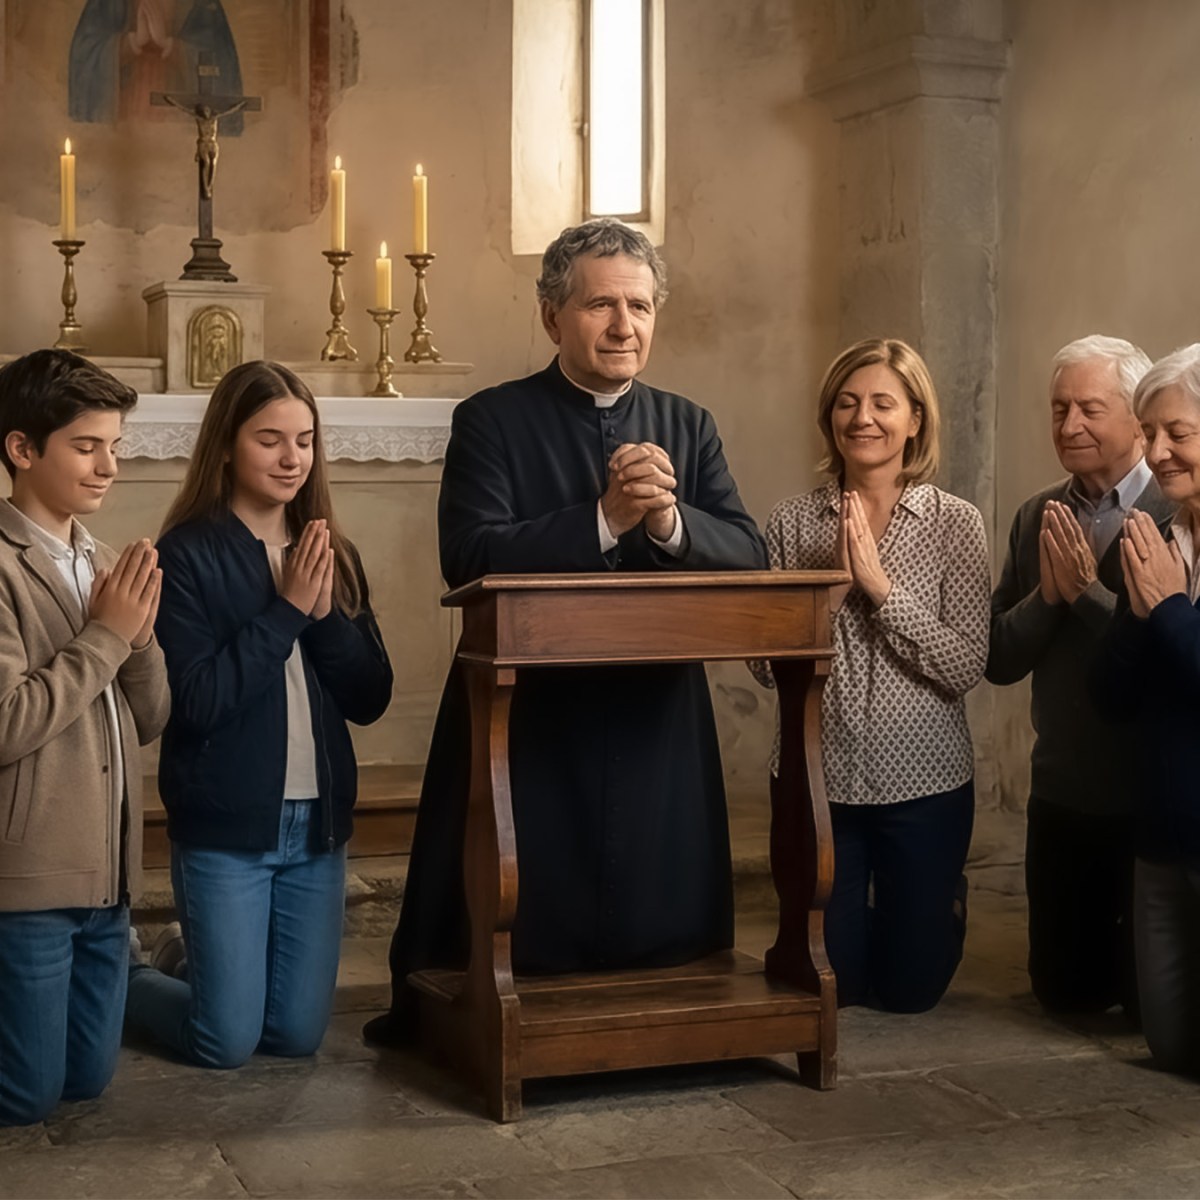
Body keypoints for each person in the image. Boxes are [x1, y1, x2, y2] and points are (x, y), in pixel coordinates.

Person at [363, 218, 767, 1045]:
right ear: (553, 317)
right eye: (601, 306)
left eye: (640, 306)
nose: (625, 326)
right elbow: (467, 553)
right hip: (533, 709)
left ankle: (667, 987)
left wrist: (666, 522)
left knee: (658, 911)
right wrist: (603, 518)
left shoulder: (687, 424)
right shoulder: (491, 421)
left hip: (654, 707)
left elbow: (749, 551)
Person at [124, 361, 392, 1069]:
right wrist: (287, 611)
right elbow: (199, 704)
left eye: (304, 439)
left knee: (295, 1036)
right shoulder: (184, 556)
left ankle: (202, 962)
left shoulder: (334, 552)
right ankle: (126, 977)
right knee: (224, 1042)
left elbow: (370, 698)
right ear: (225, 446)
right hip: (226, 829)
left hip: (318, 828)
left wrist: (325, 614)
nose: (291, 457)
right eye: (270, 438)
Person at [751, 338, 989, 1012]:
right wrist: (827, 594)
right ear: (830, 418)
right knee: (836, 988)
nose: (864, 418)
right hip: (814, 775)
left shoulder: (955, 525)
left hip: (926, 783)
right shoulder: (792, 524)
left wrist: (883, 592)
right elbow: (764, 668)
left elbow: (964, 665)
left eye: (884, 403)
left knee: (911, 991)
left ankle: (939, 901)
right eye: (848, 403)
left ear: (915, 419)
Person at [0, 349, 169, 1125]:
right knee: (27, 1097)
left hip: (110, 877)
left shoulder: (103, 560)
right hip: (30, 879)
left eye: (115, 447)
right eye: (86, 446)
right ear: (22, 448)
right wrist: (106, 637)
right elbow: (9, 725)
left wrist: (137, 640)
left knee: (87, 1083)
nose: (108, 467)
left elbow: (150, 717)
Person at [987, 335, 1169, 1017]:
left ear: (1136, 417)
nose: (1069, 426)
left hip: (1141, 794)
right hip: (1061, 792)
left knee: (1143, 1004)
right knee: (1062, 994)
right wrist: (1050, 598)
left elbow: (1167, 652)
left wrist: (1087, 594)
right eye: (1059, 408)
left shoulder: (1176, 512)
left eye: (1090, 408)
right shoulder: (1038, 515)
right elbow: (999, 658)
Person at [1093, 343, 1200, 1074]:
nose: (1157, 453)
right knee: (1169, 1047)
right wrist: (1137, 615)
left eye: (1178, 434)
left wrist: (1165, 608)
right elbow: (1109, 694)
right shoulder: (1164, 538)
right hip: (1161, 831)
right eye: (1150, 432)